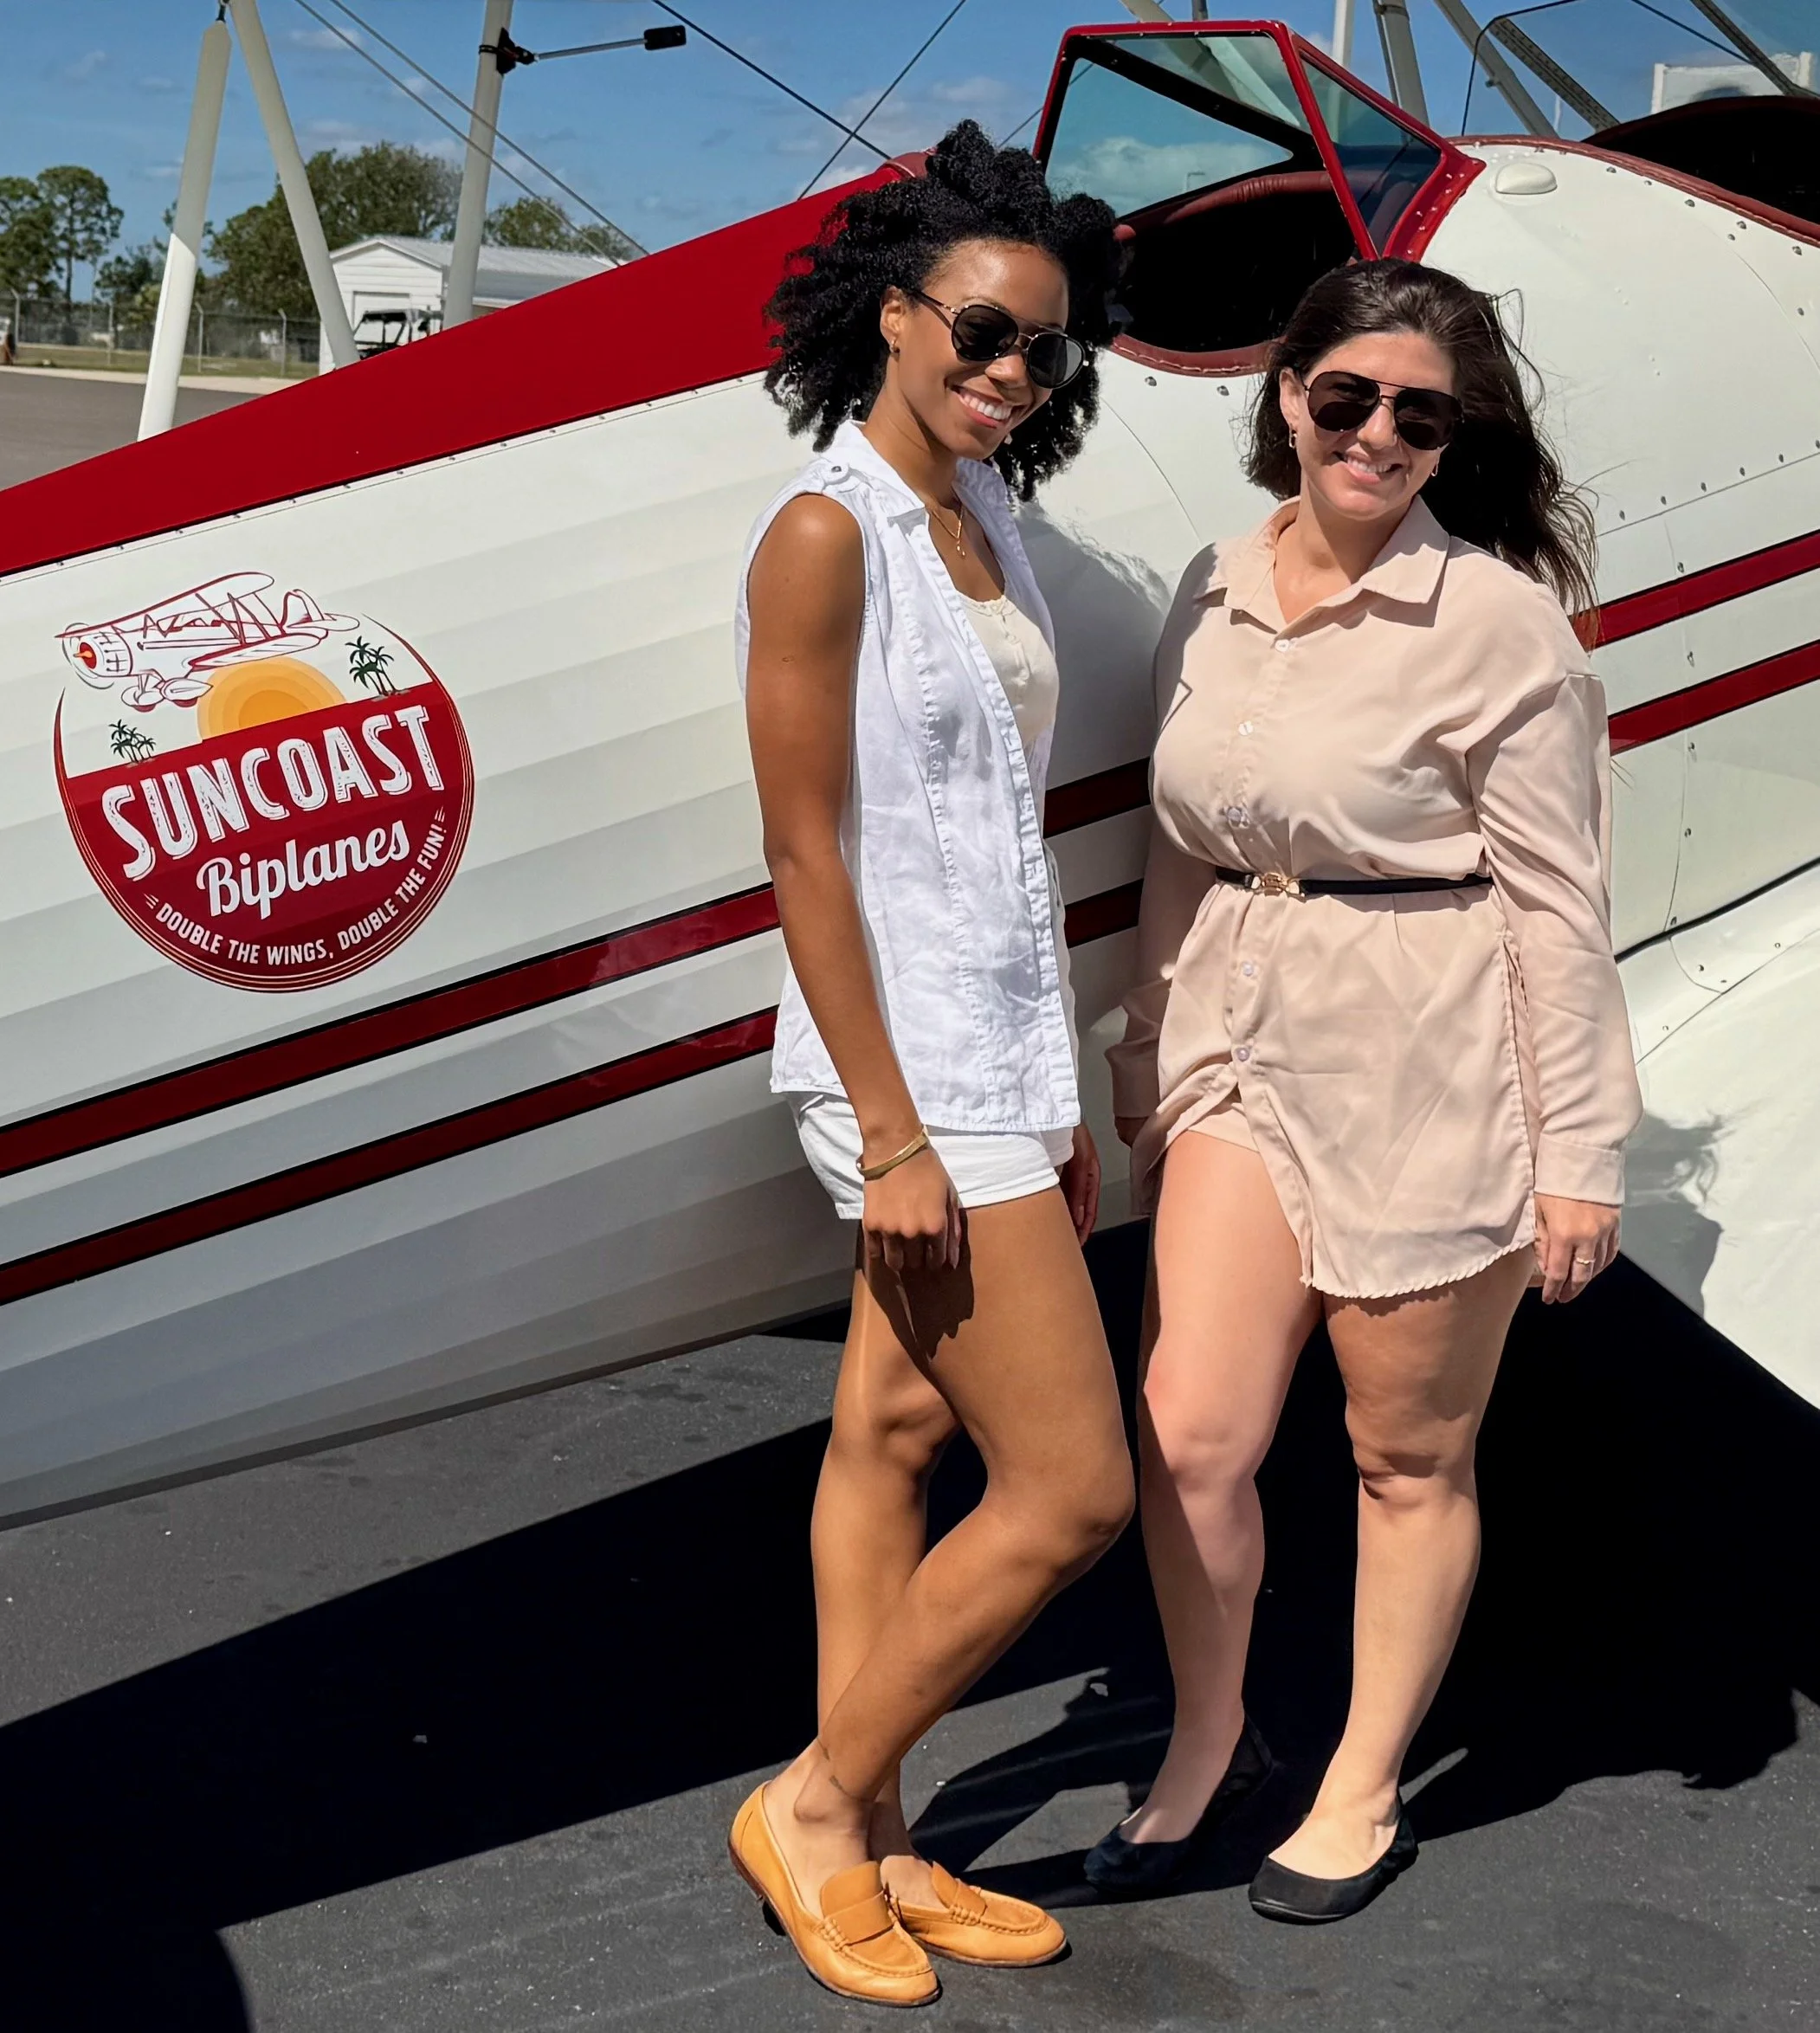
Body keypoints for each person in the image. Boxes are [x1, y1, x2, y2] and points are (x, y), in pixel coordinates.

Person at [1087, 258, 1642, 1923]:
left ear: (1450, 440)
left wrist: (1579, 1156)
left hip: (1427, 1055)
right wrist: (1144, 1041)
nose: (1377, 436)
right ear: (1287, 396)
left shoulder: (1493, 621)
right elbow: (1179, 845)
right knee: (1190, 1434)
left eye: (1420, 415)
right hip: (1239, 1042)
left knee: (1405, 1456)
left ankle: (1360, 1780)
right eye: (1348, 399)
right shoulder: (1213, 582)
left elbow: (1555, 903)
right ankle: (1212, 1741)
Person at [728, 123, 1131, 2005]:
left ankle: (882, 1830)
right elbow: (806, 849)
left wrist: (1063, 1099)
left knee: (889, 1437)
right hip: (907, 1084)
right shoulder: (828, 534)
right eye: (980, 329)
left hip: (997, 1060)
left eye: (1044, 350)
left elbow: (989, 848)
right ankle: (813, 1807)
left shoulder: (990, 531)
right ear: (893, 316)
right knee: (1068, 1492)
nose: (1008, 371)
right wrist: (894, 1132)